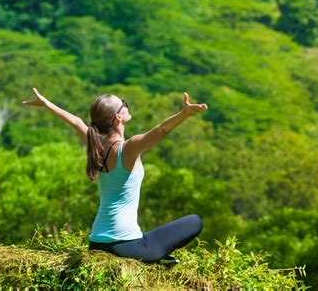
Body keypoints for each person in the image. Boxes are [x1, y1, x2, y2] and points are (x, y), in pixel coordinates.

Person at [22, 88, 208, 264]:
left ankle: (157, 257)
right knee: (194, 221)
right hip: (127, 246)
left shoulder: (95, 144)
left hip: (96, 243)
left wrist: (46, 104)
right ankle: (154, 258)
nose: (127, 105)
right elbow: (161, 130)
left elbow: (76, 121)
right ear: (118, 117)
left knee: (154, 236)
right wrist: (184, 113)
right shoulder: (128, 148)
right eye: (124, 104)